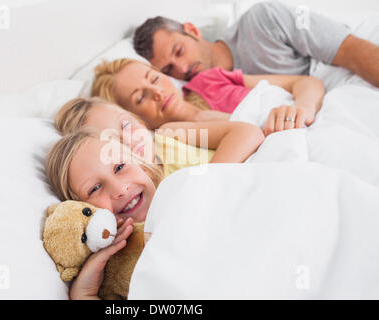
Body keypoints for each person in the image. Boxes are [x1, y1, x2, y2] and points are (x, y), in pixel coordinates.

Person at [45, 118, 264, 299]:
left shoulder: (181, 186)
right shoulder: (117, 268)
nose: (120, 189)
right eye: (94, 188)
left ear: (143, 167)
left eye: (120, 167)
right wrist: (85, 294)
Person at [133, 2, 379, 87]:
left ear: (193, 31)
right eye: (168, 70)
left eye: (179, 51)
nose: (183, 69)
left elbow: (347, 49)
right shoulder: (202, 94)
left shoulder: (261, 20)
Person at [92, 58, 324, 136]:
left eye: (153, 79)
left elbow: (305, 82)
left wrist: (303, 108)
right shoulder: (171, 141)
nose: (158, 93)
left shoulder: (209, 79)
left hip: (315, 121)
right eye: (140, 97)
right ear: (132, 116)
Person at [53, 96, 264, 177]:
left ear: (141, 122)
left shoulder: (169, 134)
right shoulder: (136, 197)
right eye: (111, 141)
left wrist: (209, 182)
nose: (128, 140)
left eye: (126, 124)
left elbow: (247, 132)